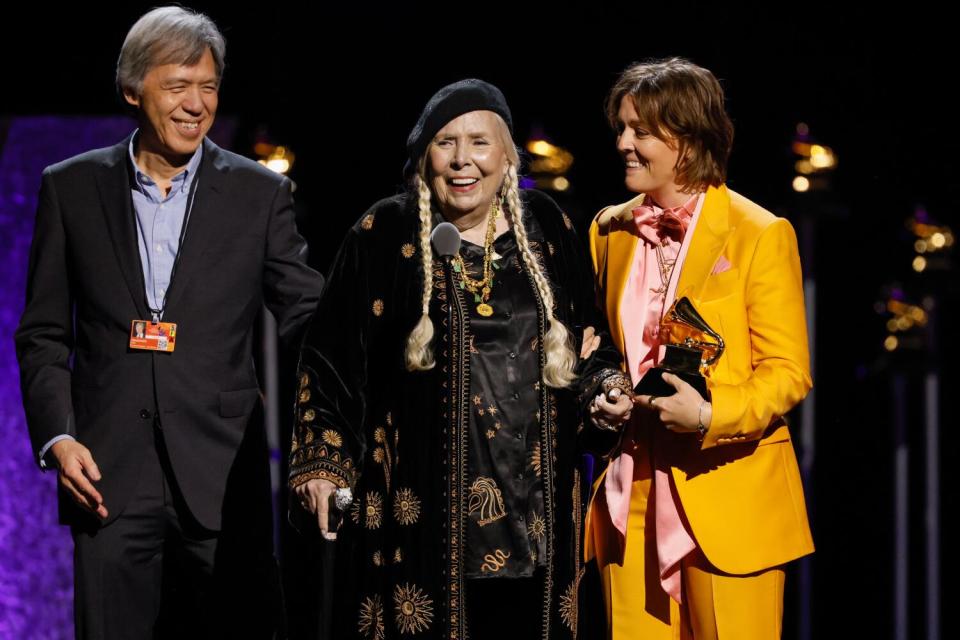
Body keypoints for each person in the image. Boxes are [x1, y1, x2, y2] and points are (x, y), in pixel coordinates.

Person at [14, 6, 323, 638]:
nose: (196, 104)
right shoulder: (69, 189)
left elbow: (308, 318)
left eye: (208, 86)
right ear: (132, 89)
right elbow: (44, 334)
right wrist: (57, 438)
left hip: (223, 474)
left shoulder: (258, 194)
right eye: (177, 85)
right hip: (105, 477)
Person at [289, 78, 627, 639]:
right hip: (419, 527)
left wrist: (604, 392)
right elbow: (328, 363)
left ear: (507, 156)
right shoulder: (383, 233)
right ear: (425, 157)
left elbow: (591, 343)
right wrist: (323, 467)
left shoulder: (549, 228)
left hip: (535, 527)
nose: (462, 160)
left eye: (479, 142)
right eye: (446, 143)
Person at [585, 58, 814, 639]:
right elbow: (603, 349)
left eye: (640, 131)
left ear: (686, 141)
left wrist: (709, 414)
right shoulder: (608, 231)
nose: (623, 144)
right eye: (621, 128)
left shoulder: (759, 233)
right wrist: (605, 391)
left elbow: (787, 373)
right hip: (630, 494)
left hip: (728, 491)